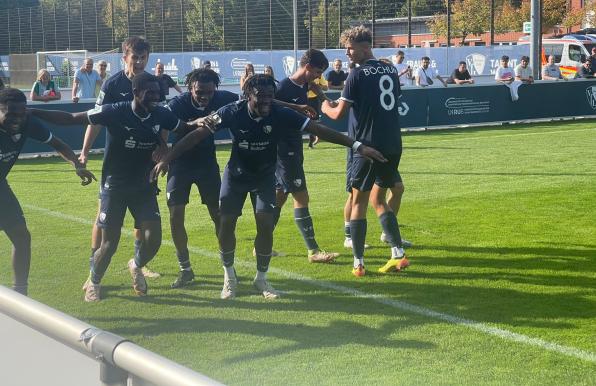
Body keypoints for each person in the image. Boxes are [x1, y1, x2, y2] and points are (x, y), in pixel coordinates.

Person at [151, 74, 386, 299]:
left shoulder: (280, 113)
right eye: (259, 97)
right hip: (236, 177)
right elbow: (196, 136)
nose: (265, 101)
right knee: (225, 224)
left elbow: (318, 129)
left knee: (265, 224)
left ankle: (261, 279)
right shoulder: (231, 111)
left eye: (268, 96)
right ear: (247, 96)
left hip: (264, 177)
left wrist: (357, 146)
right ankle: (229, 277)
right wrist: (167, 158)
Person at [31, 73, 203, 302]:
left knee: (154, 239)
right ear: (135, 92)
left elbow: (184, 128)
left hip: (144, 185)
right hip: (115, 185)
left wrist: (203, 121)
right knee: (109, 244)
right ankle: (94, 281)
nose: (155, 97)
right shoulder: (113, 111)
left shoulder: (161, 113)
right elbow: (71, 118)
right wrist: (31, 111)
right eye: (149, 92)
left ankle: (136, 264)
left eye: (157, 93)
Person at [321, 25, 410, 277]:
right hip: (393, 143)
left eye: (350, 48)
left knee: (359, 201)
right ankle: (398, 254)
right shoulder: (390, 70)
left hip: (366, 146)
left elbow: (338, 114)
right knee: (379, 199)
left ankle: (358, 263)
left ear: (365, 47)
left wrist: (324, 107)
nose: (347, 53)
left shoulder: (356, 75)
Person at [79, 36, 161, 279]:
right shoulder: (113, 85)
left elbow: (162, 119)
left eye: (143, 57)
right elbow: (94, 121)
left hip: (144, 162)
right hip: (116, 163)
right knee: (103, 218)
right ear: (124, 57)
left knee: (141, 218)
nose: (138, 62)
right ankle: (93, 268)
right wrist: (84, 153)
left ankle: (138, 264)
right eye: (134, 57)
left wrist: (162, 148)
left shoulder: (153, 83)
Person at [0, 88, 95, 296]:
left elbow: (58, 144)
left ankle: (20, 294)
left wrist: (77, 165)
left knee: (21, 237)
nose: (16, 120)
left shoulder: (28, 123)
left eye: (21, 114)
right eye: (10, 114)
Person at [165, 68, 239, 288]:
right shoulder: (178, 104)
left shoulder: (223, 98)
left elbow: (251, 100)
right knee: (175, 216)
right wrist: (162, 152)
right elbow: (163, 125)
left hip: (207, 164)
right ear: (190, 88)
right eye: (199, 92)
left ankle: (229, 268)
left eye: (209, 92)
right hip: (180, 164)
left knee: (219, 216)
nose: (205, 96)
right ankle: (185, 269)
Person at [273, 49, 338, 263]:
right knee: (301, 196)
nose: (318, 76)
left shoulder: (304, 84)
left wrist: (324, 98)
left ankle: (261, 244)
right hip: (284, 149)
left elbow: (313, 86)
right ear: (307, 67)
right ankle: (314, 251)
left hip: (293, 144)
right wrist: (296, 106)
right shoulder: (283, 86)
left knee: (279, 197)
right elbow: (269, 104)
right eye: (317, 71)